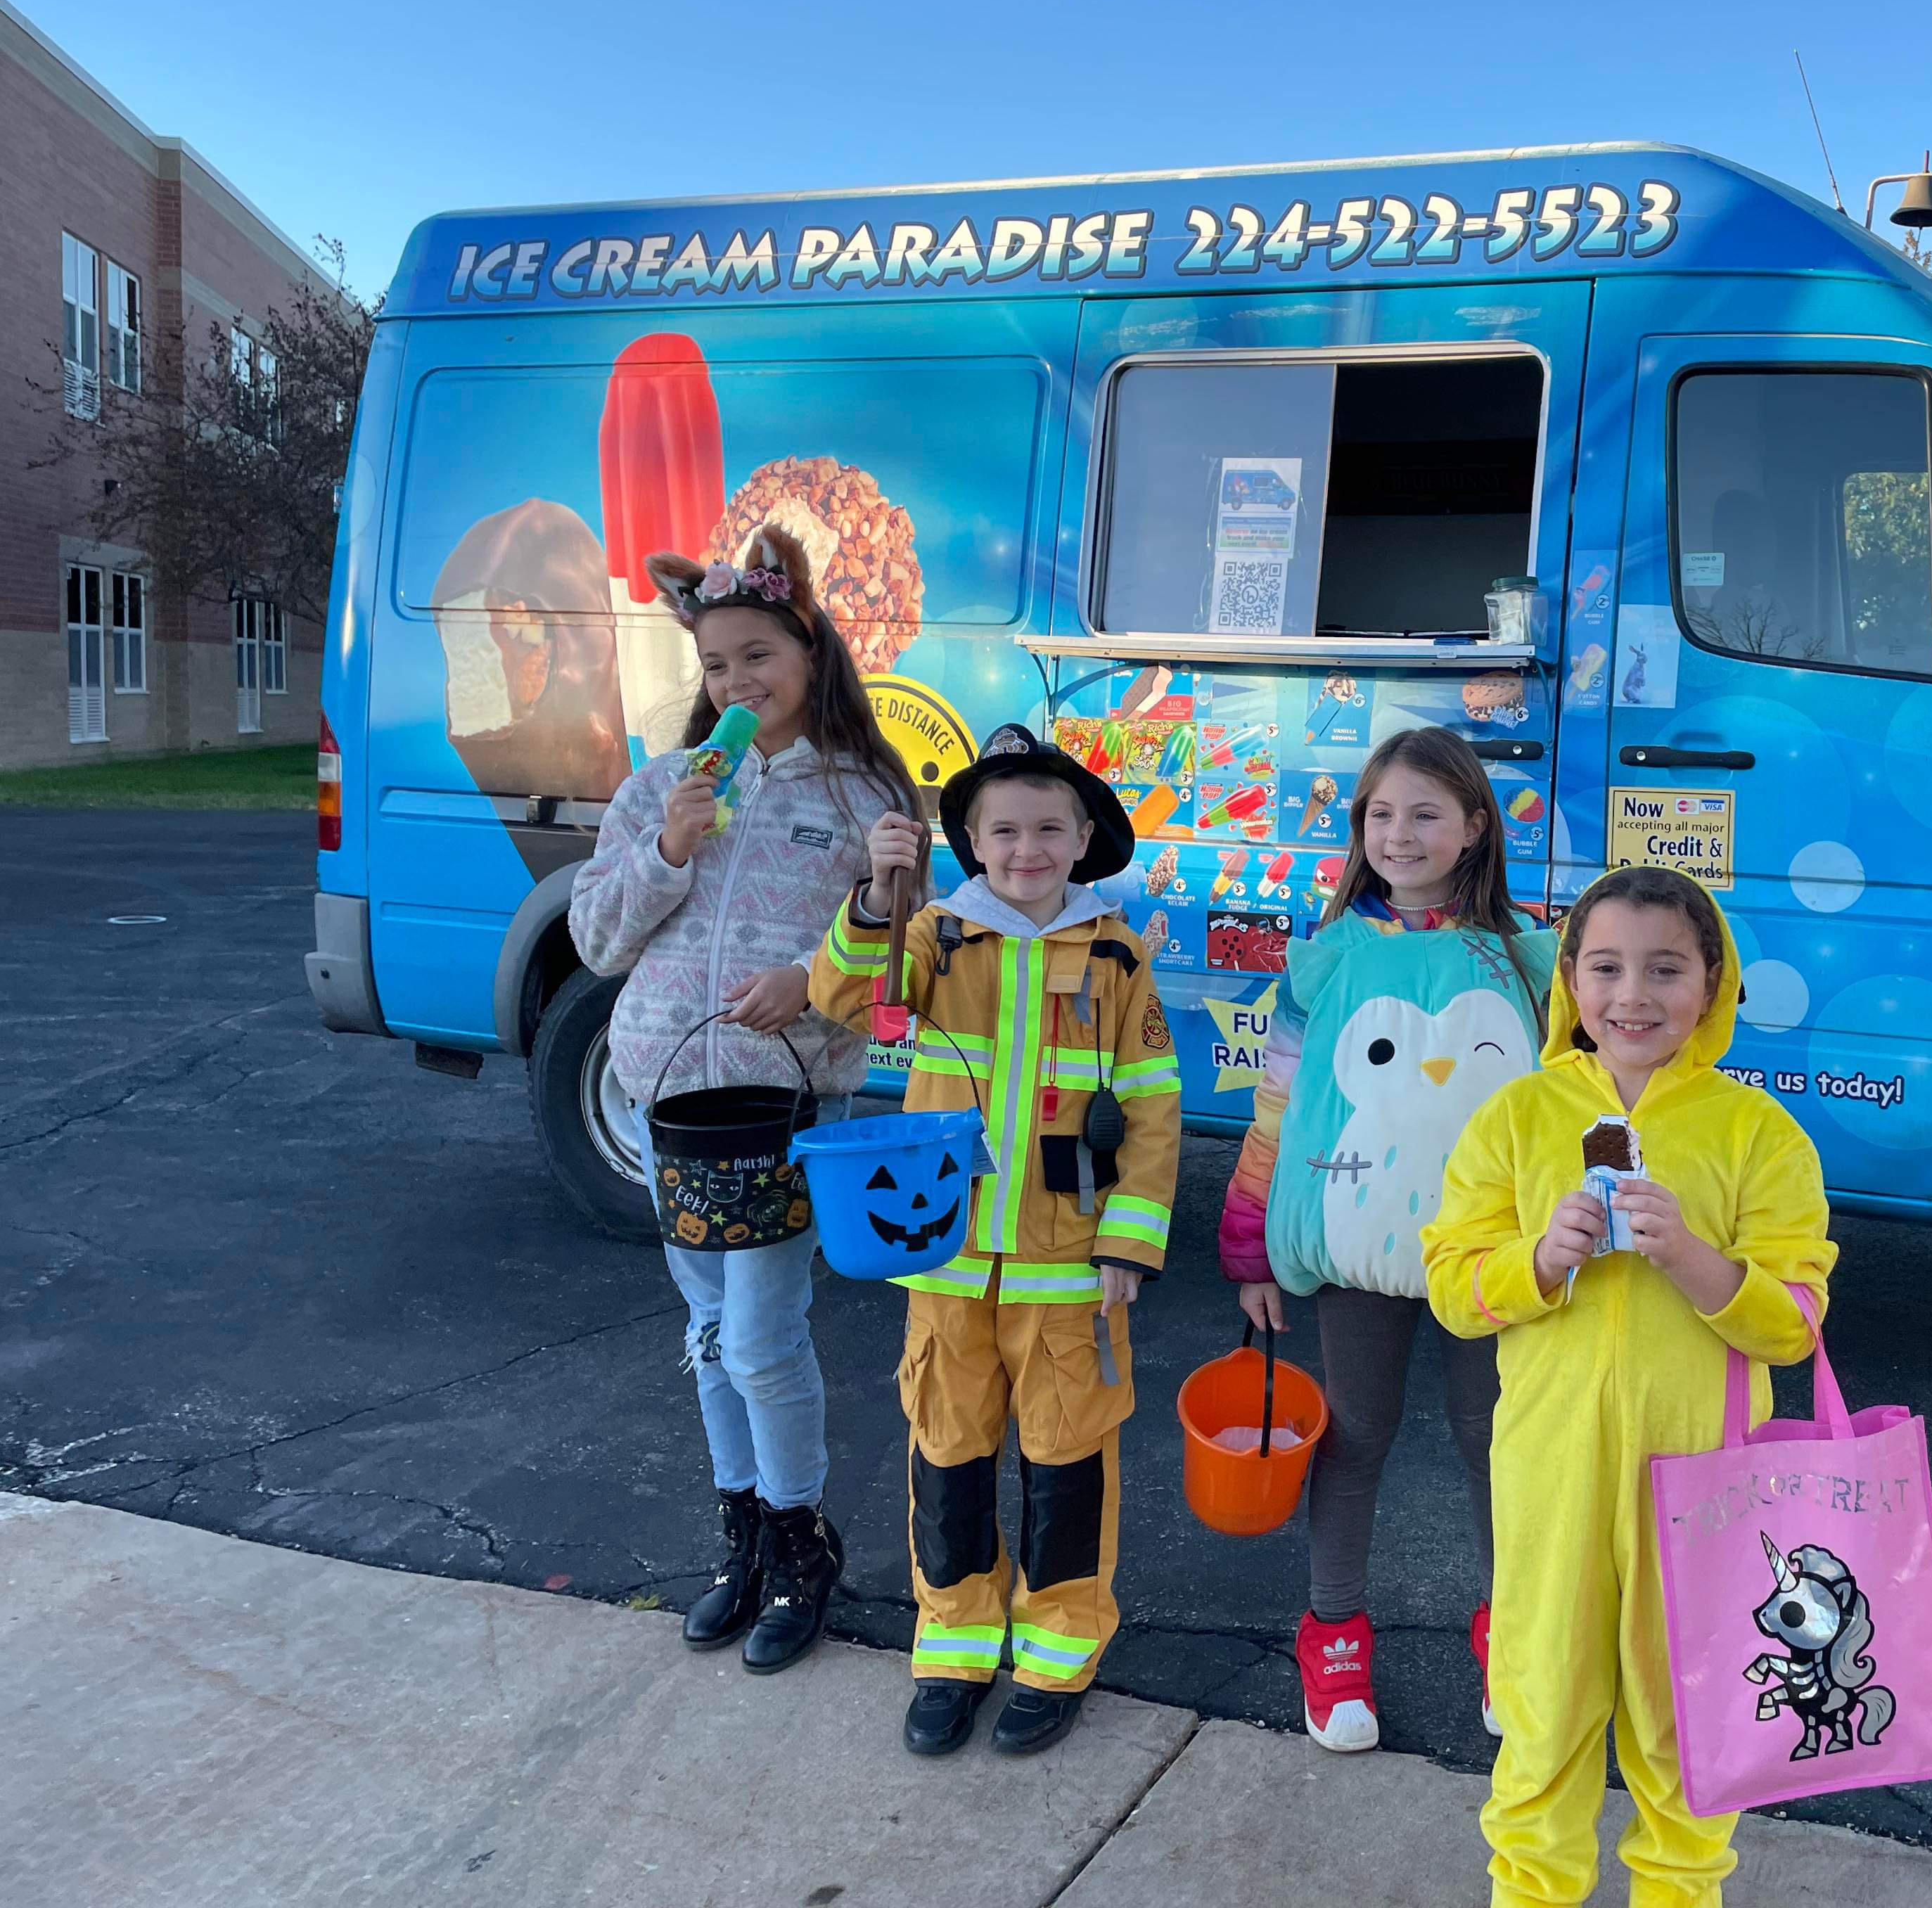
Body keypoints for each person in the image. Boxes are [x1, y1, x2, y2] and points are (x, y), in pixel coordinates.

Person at [1424, 866, 1836, 1907]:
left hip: (1707, 1482)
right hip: (1552, 1469)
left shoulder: (1759, 1135)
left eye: (1667, 970)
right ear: (1570, 981)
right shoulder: (1517, 1119)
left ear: (1713, 987)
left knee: (1688, 1714)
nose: (1634, 996)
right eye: (1605, 968)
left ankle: (1681, 1893)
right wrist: (1541, 1261)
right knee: (1545, 1704)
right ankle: (1530, 1892)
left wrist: (1695, 1259)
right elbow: (1453, 1289)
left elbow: (1796, 1323)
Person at [569, 526, 916, 1675]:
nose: (736, 683)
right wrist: (666, 848)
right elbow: (599, 940)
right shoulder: (666, 786)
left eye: (757, 655)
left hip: (783, 1106)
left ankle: (800, 1539)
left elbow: (901, 970)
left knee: (764, 1338)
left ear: (809, 648)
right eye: (716, 666)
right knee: (710, 1335)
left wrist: (809, 987)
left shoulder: (866, 791)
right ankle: (744, 1537)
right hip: (671, 1103)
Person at [810, 723, 1180, 1759]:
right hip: (945, 1258)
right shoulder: (931, 935)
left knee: (1068, 1466)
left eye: (1049, 827)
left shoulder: (1115, 953)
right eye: (1003, 829)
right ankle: (956, 1644)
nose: (1027, 848)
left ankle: (1060, 1654)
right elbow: (845, 999)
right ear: (971, 841)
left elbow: (1153, 1109)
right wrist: (876, 900)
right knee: (950, 1456)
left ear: (1083, 837)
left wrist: (1128, 1244)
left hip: (1069, 1270)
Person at [1218, 726, 1556, 1751]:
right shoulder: (1326, 962)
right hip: (1359, 1257)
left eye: (1424, 813)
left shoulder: (1532, 958)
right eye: (1380, 814)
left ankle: (1516, 1636)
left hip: (1494, 1259)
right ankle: (1333, 1632)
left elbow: (1578, 1100)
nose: (1399, 834)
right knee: (1354, 1438)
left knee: (1498, 1445)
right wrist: (1249, 1248)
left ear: (1475, 828)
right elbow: (1276, 1102)